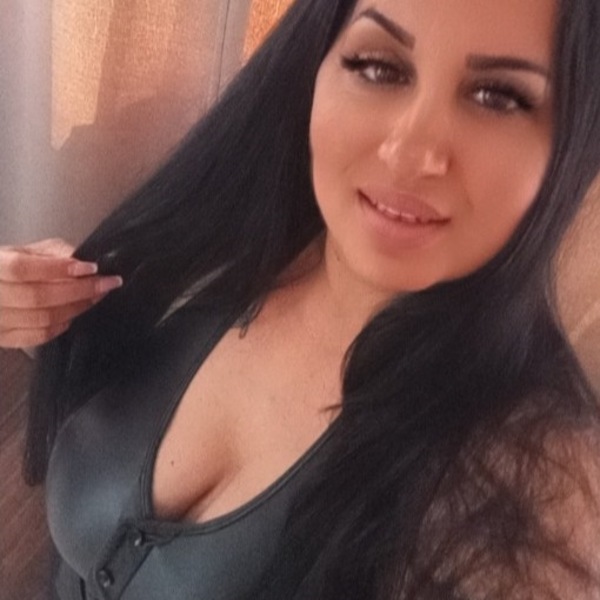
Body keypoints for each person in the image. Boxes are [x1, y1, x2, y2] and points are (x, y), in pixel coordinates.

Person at [2, 0, 600, 598]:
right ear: (317, 60)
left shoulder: (532, 487)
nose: (408, 153)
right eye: (379, 67)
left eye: (497, 97)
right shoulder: (208, 245)